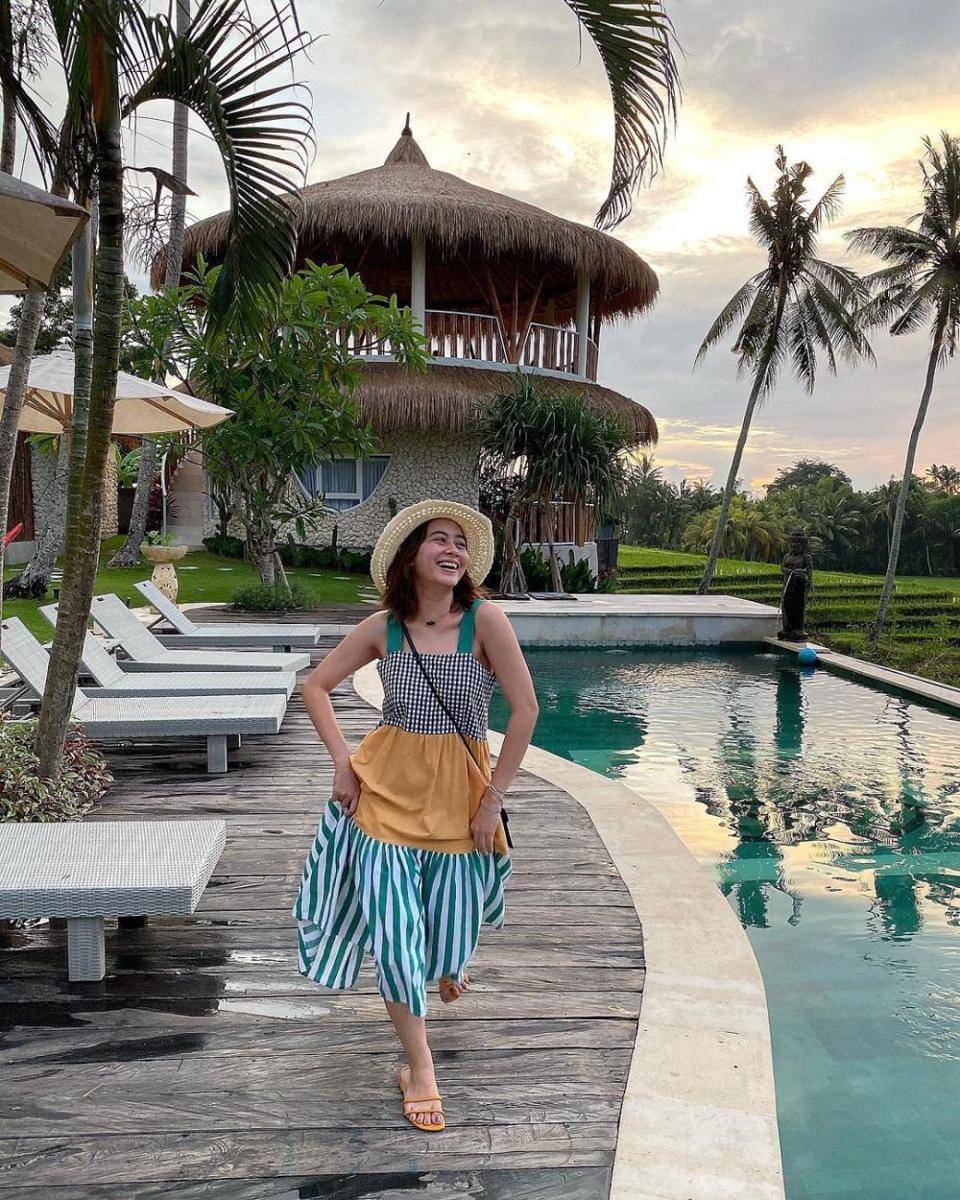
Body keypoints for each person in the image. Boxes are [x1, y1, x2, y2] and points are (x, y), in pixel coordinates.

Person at [293, 499, 539, 1132]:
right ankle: (421, 1068)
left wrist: (493, 799)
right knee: (397, 941)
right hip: (383, 802)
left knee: (448, 937)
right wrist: (343, 763)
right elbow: (316, 687)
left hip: (459, 805)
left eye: (461, 542)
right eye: (439, 539)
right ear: (411, 555)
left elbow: (526, 711)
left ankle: (446, 971)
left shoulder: (485, 621)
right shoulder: (385, 628)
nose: (453, 549)